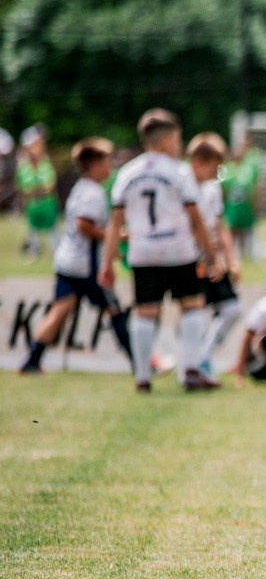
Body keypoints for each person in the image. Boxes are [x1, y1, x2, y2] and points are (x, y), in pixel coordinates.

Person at [100, 108, 221, 393]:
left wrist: (106, 262)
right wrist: (211, 255)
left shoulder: (127, 173)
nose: (179, 145)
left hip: (143, 252)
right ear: (166, 139)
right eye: (177, 139)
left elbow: (115, 224)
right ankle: (190, 368)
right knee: (192, 305)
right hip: (178, 250)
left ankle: (142, 377)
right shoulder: (179, 173)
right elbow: (196, 220)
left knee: (145, 312)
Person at [18, 138, 133, 373]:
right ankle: (139, 362)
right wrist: (116, 237)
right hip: (85, 265)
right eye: (107, 161)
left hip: (67, 261)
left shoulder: (80, 188)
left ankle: (32, 360)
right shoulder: (93, 193)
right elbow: (84, 225)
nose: (111, 166)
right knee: (114, 310)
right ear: (94, 164)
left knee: (60, 309)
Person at [186, 133, 242, 380]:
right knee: (193, 314)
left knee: (232, 309)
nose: (218, 172)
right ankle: (192, 365)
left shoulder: (212, 189)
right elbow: (192, 227)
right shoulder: (184, 186)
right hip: (192, 260)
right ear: (199, 161)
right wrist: (210, 257)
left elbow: (220, 226)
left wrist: (231, 259)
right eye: (216, 166)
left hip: (212, 260)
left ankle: (203, 358)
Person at [17, 126, 59, 260]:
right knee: (33, 232)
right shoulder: (24, 168)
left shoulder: (45, 164)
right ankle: (34, 253)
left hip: (47, 206)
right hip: (33, 207)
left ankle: (56, 254)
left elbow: (50, 186)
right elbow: (24, 190)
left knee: (53, 232)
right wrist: (38, 190)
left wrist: (36, 190)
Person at [222, 137, 260, 262]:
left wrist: (254, 204)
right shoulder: (227, 168)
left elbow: (253, 188)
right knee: (231, 231)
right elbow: (223, 189)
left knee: (244, 232)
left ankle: (244, 256)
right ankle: (230, 254)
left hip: (244, 206)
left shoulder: (248, 168)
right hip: (231, 206)